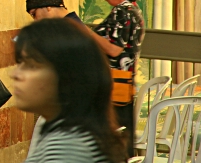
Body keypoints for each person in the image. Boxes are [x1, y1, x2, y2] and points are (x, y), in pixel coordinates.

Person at [11, 18, 126, 163]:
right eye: (20, 63)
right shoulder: (69, 132)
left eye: (31, 66)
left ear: (66, 76)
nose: (15, 75)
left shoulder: (67, 147)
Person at [91, 0, 145, 158]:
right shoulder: (132, 10)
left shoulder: (123, 11)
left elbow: (114, 49)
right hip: (123, 81)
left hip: (115, 82)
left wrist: (84, 31)